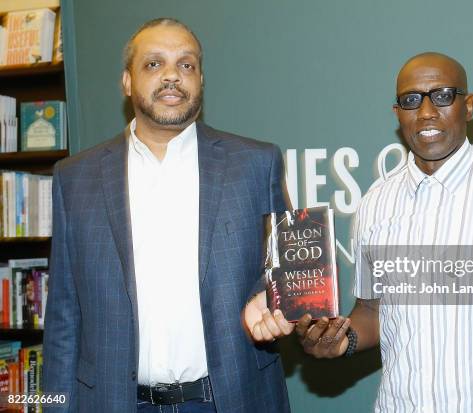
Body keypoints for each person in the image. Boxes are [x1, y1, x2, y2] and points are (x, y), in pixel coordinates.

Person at [245, 52, 473, 412]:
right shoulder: (374, 204)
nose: (426, 111)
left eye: (442, 95)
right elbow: (373, 311)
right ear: (398, 114)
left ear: (468, 105)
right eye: (411, 100)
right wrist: (340, 339)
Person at [42, 18, 290, 413]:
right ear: (127, 82)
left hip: (229, 400)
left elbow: (284, 271)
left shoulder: (256, 164)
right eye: (154, 64)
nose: (173, 75)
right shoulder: (75, 178)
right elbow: (63, 318)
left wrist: (273, 297)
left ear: (201, 80)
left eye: (186, 64)